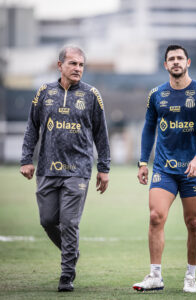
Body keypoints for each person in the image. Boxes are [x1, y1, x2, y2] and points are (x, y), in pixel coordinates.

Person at [20, 45, 110, 292]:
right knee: (48, 221)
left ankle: (67, 275)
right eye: (73, 64)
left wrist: (104, 167)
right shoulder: (44, 92)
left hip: (78, 170)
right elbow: (32, 127)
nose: (78, 69)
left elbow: (102, 134)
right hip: (47, 169)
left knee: (69, 222)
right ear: (60, 65)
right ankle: (72, 252)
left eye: (81, 65)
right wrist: (26, 159)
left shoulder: (92, 95)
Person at [133, 45, 196, 293]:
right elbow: (148, 128)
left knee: (193, 222)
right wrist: (142, 161)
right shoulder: (156, 94)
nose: (176, 62)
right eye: (171, 59)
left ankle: (190, 276)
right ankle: (155, 276)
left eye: (180, 58)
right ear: (165, 65)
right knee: (155, 217)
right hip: (164, 167)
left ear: (188, 62)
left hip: (193, 169)